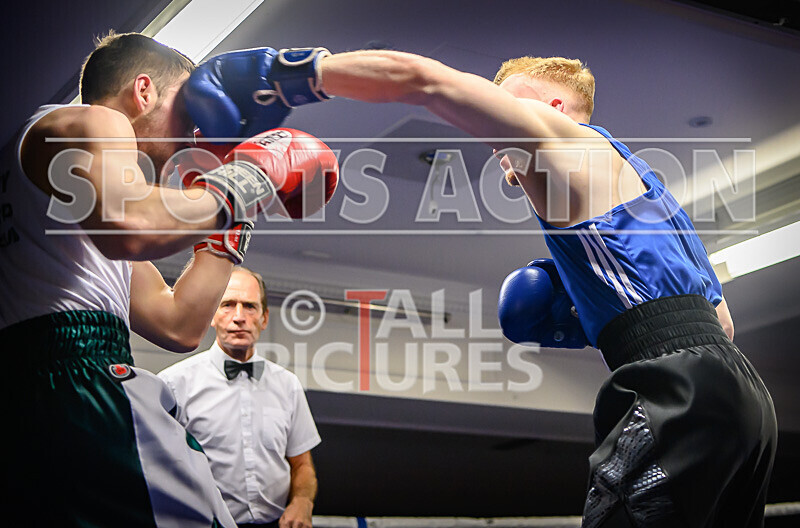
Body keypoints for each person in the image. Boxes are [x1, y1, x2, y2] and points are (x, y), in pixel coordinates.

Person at [181, 47, 778, 526]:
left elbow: (422, 79)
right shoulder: (649, 192)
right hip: (741, 400)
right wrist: (597, 314)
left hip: (678, 393)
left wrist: (287, 76)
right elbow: (719, 325)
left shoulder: (560, 140)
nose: (493, 136)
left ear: (553, 107)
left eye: (503, 108)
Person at [0, 32, 336, 527]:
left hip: (28, 397)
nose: (195, 132)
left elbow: (178, 324)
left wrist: (234, 212)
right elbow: (133, 227)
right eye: (189, 106)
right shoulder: (96, 120)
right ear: (143, 92)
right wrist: (252, 177)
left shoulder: (73, 206)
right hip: (81, 387)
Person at [159, 267, 321, 528]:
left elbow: (302, 465)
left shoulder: (287, 385)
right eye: (227, 305)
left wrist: (302, 502)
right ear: (212, 314)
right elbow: (157, 467)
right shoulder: (174, 384)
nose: (238, 317)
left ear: (264, 318)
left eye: (249, 307)